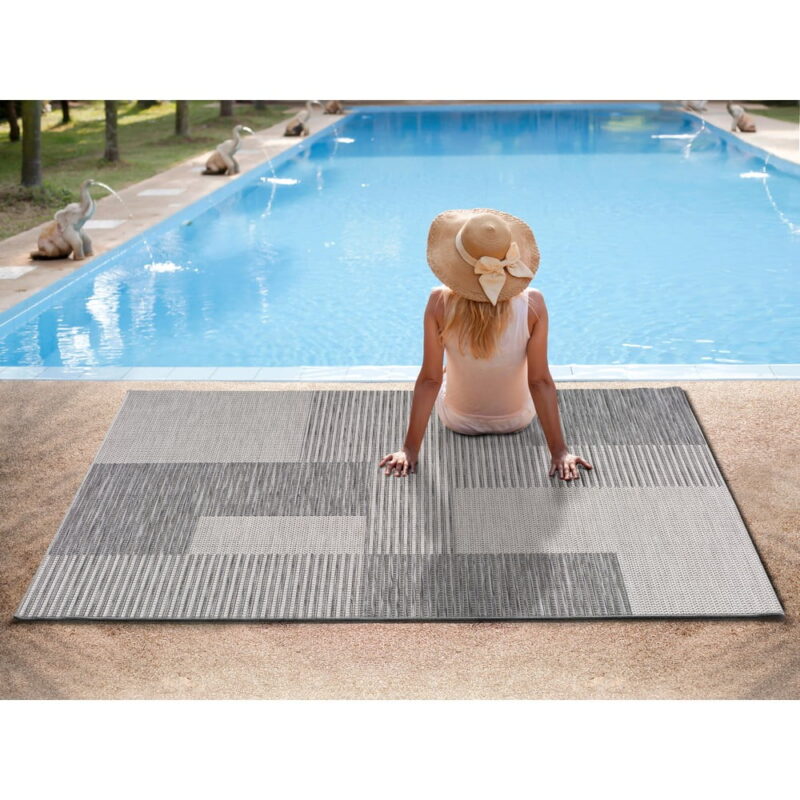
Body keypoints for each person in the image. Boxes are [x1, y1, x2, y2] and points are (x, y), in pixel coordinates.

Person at [379, 208, 593, 481]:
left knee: (442, 371)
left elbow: (430, 381)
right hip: (516, 419)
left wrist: (409, 450)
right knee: (531, 374)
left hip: (457, 420)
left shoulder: (438, 302)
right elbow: (539, 381)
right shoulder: (534, 303)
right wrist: (559, 452)